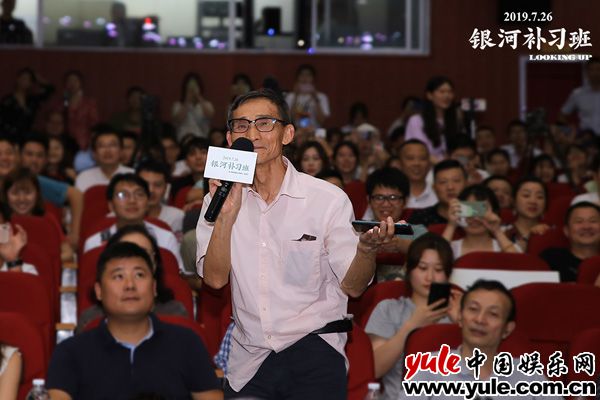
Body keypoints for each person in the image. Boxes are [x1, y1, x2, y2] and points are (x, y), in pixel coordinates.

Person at [196, 89, 395, 399]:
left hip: (313, 348)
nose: (252, 134)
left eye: (264, 123)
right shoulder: (218, 198)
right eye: (241, 125)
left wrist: (367, 251)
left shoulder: (326, 199)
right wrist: (226, 216)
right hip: (250, 357)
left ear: (287, 134)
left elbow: (354, 287)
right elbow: (214, 279)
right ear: (230, 138)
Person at [47, 242, 222, 400]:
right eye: (118, 276)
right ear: (99, 291)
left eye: (139, 275)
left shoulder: (186, 343)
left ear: (154, 288)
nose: (130, 285)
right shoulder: (70, 353)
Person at [401, 279, 561, 400]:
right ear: (460, 317)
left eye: (493, 314)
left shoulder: (529, 375)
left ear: (507, 329)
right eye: (473, 309)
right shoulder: (429, 369)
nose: (480, 320)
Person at [365, 233, 461, 400]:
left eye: (438, 270)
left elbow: (483, 369)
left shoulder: (461, 312)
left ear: (448, 274)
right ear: (408, 269)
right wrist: (411, 326)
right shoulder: (388, 309)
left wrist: (461, 323)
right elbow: (374, 368)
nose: (430, 277)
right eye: (422, 268)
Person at [77, 224, 188, 332]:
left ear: (155, 263)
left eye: (143, 254)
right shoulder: (91, 320)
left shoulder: (174, 314)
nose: (130, 284)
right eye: (126, 252)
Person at [83, 173, 184, 273]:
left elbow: (176, 277)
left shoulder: (166, 238)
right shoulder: (95, 243)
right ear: (111, 205)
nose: (132, 201)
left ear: (148, 202)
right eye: (122, 195)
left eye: (139, 194)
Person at [2, 167, 73, 261]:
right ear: (6, 195)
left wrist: (41, 261)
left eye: (28, 193)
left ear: (37, 194)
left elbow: (68, 252)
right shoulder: (2, 222)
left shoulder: (48, 220)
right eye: (15, 193)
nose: (22, 199)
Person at [443, 185, 519, 258]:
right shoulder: (450, 248)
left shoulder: (504, 247)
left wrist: (497, 231)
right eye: (469, 209)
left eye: (480, 209)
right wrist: (451, 225)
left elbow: (518, 262)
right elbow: (439, 259)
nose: (474, 218)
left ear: (494, 212)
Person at [405, 76, 461, 162]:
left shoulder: (455, 121)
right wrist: (443, 165)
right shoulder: (416, 121)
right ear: (429, 95)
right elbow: (420, 151)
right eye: (442, 92)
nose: (447, 96)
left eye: (450, 92)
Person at [540, 201, 600, 282]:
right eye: (579, 221)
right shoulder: (550, 259)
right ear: (566, 230)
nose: (586, 226)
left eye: (593, 221)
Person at [75, 126, 135, 193]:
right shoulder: (83, 177)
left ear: (121, 151)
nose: (107, 151)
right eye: (102, 146)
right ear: (94, 153)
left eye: (112, 145)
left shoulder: (133, 175)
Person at [409, 160, 467, 227]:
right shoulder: (419, 219)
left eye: (456, 181)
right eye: (443, 182)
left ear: (466, 184)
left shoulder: (475, 216)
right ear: (434, 188)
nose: (450, 187)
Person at [0, 68, 54, 139]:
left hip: (27, 135)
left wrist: (37, 78)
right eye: (23, 78)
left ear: (31, 83)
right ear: (17, 79)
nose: (24, 81)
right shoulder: (7, 100)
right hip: (9, 135)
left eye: (28, 80)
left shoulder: (33, 100)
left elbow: (50, 89)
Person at [137, 160, 184, 234]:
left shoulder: (176, 216)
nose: (151, 190)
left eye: (157, 185)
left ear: (166, 188)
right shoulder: (123, 214)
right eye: (145, 185)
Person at [503, 177, 549, 252]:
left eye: (539, 197)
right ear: (513, 201)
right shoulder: (501, 232)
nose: (533, 201)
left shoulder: (550, 233)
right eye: (526, 195)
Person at [559, 57, 600, 135]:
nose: (595, 73)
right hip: (586, 137)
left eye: (598, 69)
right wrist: (571, 131)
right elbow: (562, 115)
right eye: (592, 70)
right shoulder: (578, 94)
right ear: (586, 73)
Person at [285, 64, 330, 130]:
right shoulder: (290, 96)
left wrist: (315, 97)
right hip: (296, 131)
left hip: (314, 130)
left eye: (308, 75)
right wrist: (296, 96)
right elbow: (289, 119)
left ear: (313, 78)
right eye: (302, 75)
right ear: (297, 78)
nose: (305, 78)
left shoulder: (321, 96)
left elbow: (321, 120)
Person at [172, 73, 214, 140]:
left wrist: (199, 97)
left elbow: (210, 115)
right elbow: (178, 119)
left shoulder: (207, 104)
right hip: (183, 139)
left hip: (202, 138)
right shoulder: (178, 105)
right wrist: (187, 100)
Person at [397, 140, 437, 209]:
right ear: (399, 164)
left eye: (422, 158)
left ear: (429, 164)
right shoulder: (391, 197)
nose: (416, 163)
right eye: (410, 158)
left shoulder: (439, 195)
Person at [170, 137, 209, 206]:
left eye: (203, 152)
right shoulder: (178, 184)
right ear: (186, 161)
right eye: (192, 154)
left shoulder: (220, 181)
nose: (198, 157)